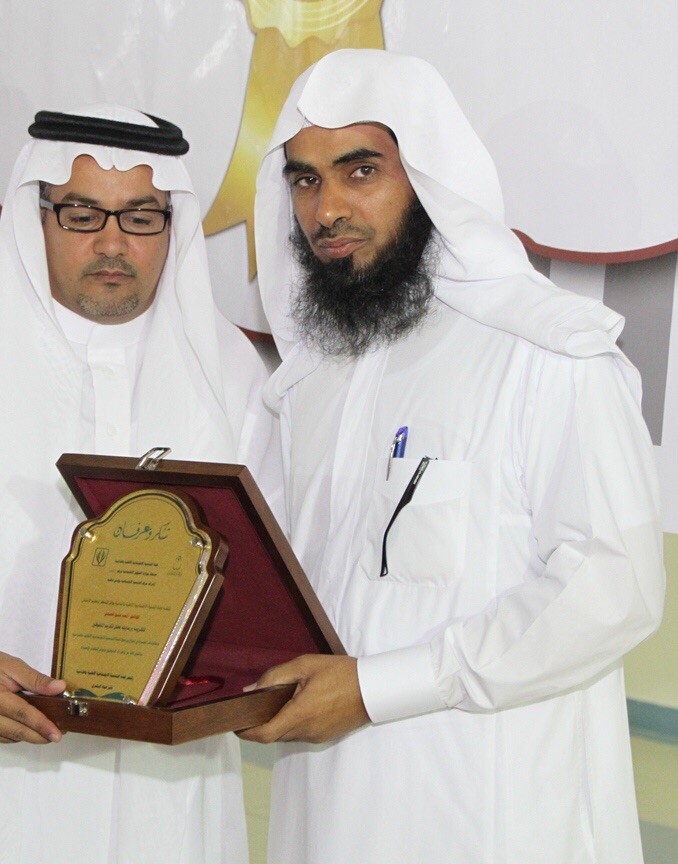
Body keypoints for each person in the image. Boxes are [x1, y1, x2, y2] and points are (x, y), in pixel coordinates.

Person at [241, 49, 665, 863]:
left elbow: (615, 586)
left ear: (431, 176)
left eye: (361, 171)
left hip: (490, 816)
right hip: (327, 811)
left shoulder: (546, 354)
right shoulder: (313, 379)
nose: (327, 209)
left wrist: (376, 689)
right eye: (304, 180)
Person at [0, 106, 280, 863]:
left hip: (165, 797)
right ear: (38, 216)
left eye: (141, 217)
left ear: (172, 225)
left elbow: (264, 578)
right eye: (82, 214)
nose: (112, 243)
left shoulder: (233, 381)